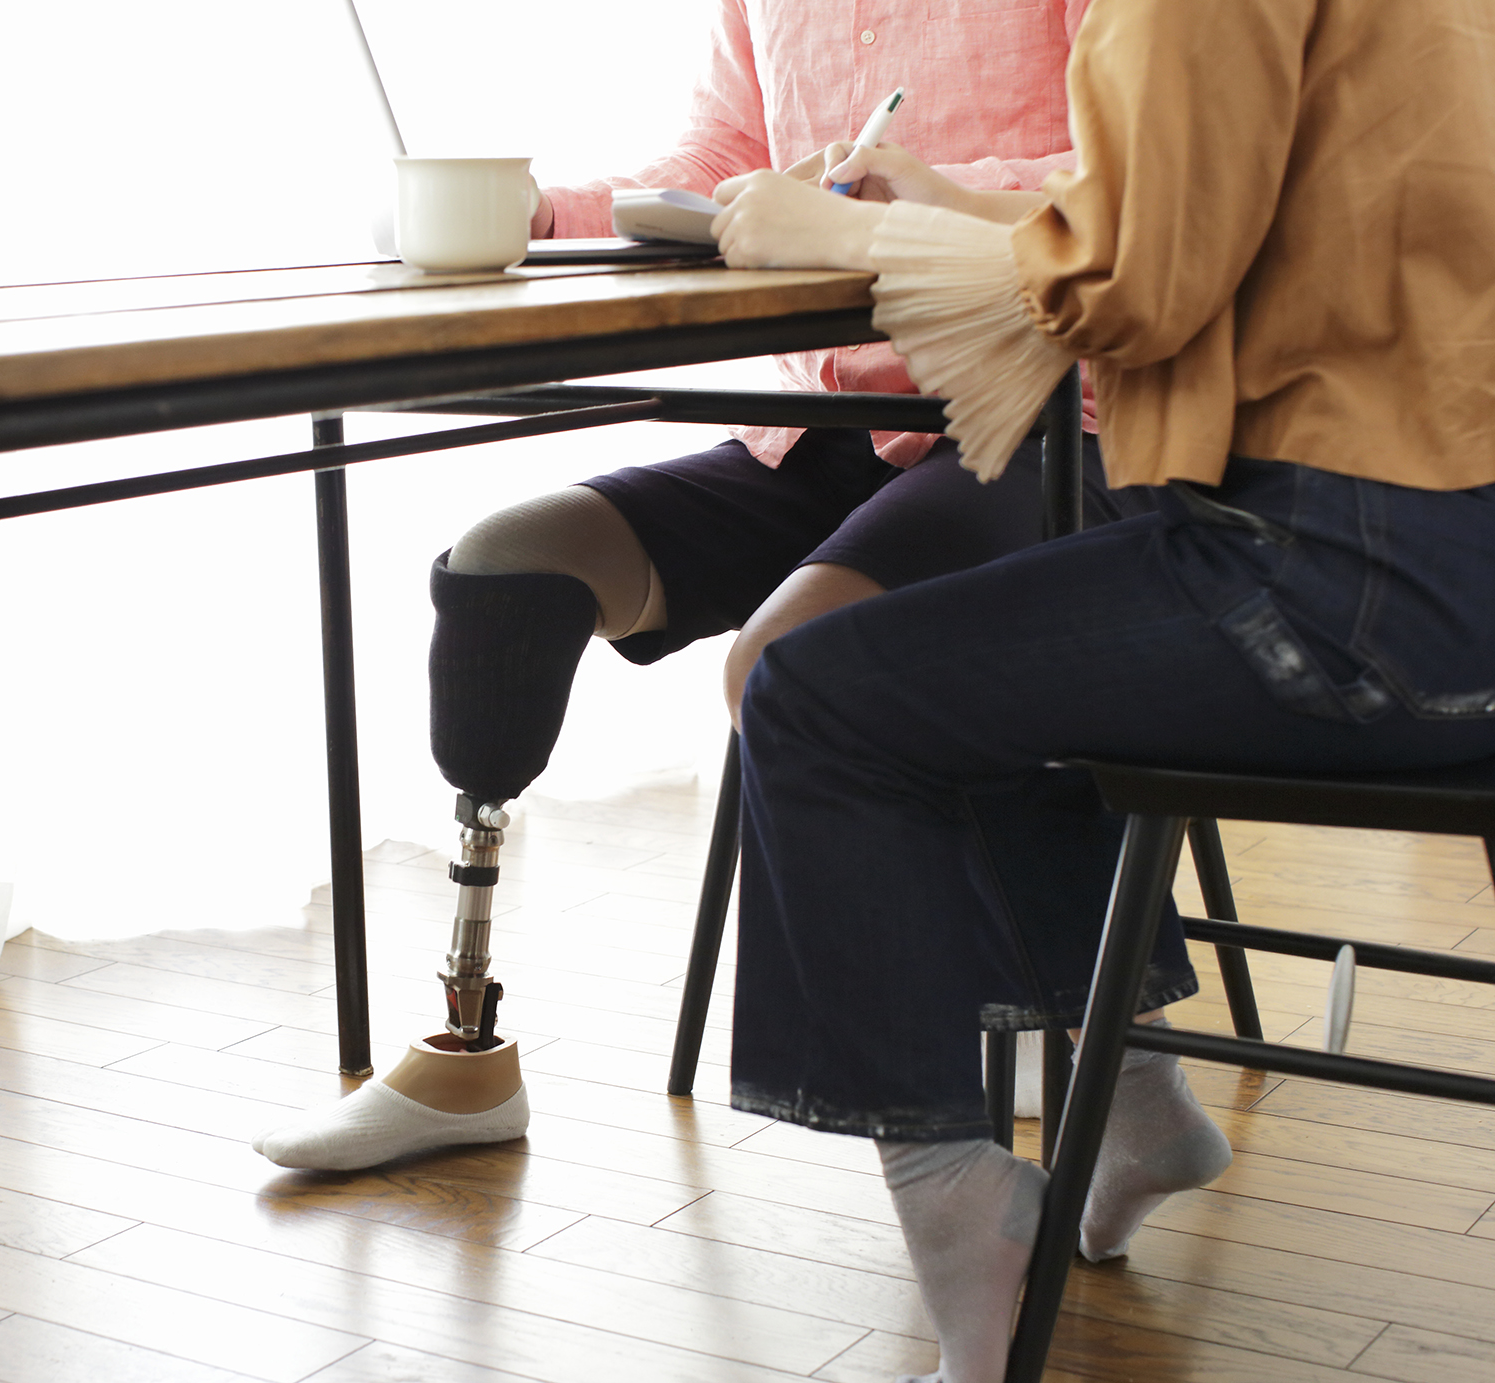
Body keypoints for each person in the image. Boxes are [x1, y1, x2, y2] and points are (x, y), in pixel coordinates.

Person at [706, 0, 1495, 1378]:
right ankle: (1135, 1104)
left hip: (1359, 589)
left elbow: (1139, 282)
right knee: (990, 658)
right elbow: (1231, 197)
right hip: (1455, 559)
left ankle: (963, 1207)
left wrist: (850, 236)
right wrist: (955, 208)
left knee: (819, 695)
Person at [252, 0, 1127, 1173]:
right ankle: (464, 1049)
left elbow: (1132, 172)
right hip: (814, 430)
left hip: (1030, 426)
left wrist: (880, 199)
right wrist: (534, 209)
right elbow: (719, 163)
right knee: (506, 569)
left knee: (790, 661)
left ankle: (1050, 1042)